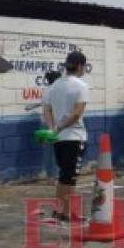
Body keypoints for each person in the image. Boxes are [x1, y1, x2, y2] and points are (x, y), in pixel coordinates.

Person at [43, 51, 89, 222]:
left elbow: (47, 111)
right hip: (74, 136)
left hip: (59, 138)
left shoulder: (53, 86)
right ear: (79, 66)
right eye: (84, 66)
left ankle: (59, 211)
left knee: (63, 175)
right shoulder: (81, 86)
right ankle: (67, 213)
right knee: (70, 178)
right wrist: (60, 127)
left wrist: (52, 129)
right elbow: (77, 114)